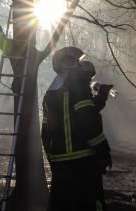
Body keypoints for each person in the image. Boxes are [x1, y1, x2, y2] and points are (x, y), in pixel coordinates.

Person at [41, 47, 112, 211]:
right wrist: (103, 152)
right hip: (83, 162)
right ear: (69, 64)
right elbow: (89, 122)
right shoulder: (78, 87)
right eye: (78, 62)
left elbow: (45, 134)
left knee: (62, 205)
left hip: (60, 165)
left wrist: (52, 159)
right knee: (90, 204)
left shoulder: (50, 93)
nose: (81, 66)